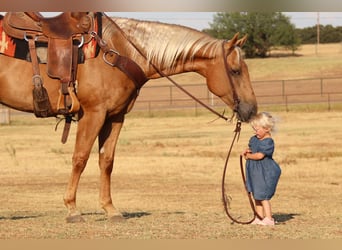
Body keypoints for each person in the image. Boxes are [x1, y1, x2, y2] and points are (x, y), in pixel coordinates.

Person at [241, 112, 281, 226]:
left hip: (264, 171)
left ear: (267, 128)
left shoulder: (268, 142)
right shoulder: (254, 139)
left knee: (263, 195)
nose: (255, 132)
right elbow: (252, 148)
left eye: (257, 129)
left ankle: (269, 218)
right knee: (256, 195)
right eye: (254, 129)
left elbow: (259, 156)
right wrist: (247, 151)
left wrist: (248, 156)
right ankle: (259, 217)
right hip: (255, 171)